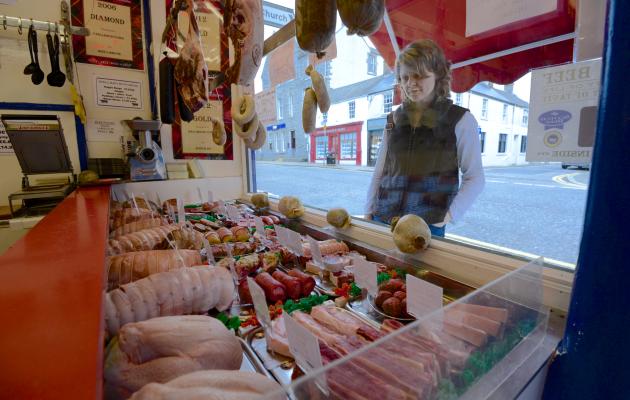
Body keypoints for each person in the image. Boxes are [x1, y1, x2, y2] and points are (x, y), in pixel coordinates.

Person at [365, 39, 485, 237]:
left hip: (426, 227)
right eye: (404, 78)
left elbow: (475, 177)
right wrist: (368, 211)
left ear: (437, 74)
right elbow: (380, 170)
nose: (410, 84)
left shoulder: (461, 120)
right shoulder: (393, 118)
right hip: (383, 218)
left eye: (418, 76)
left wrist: (447, 216)